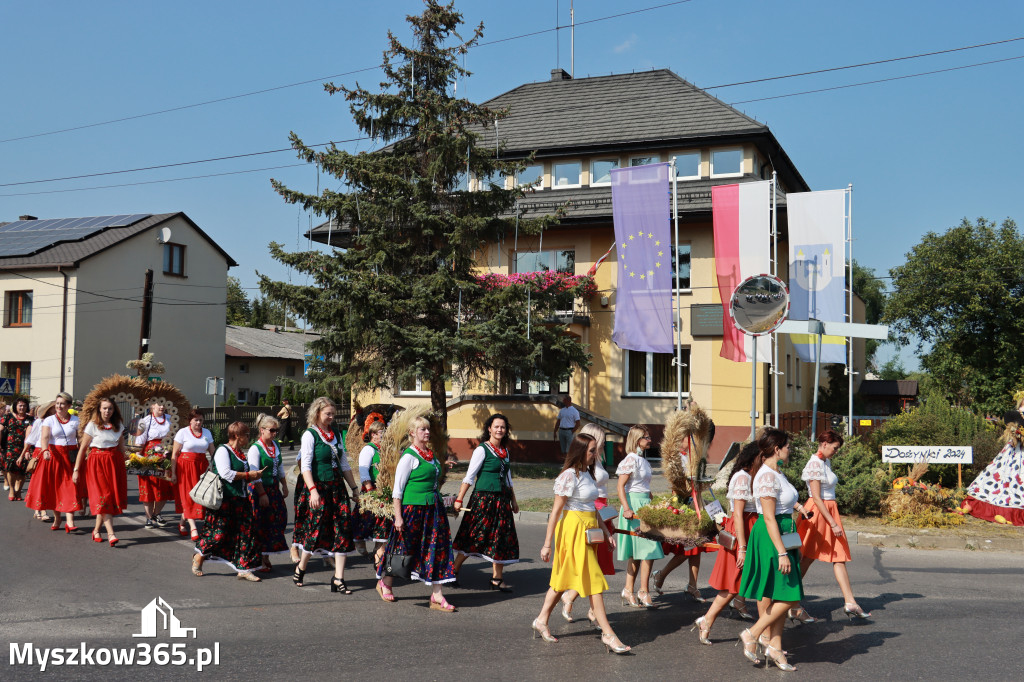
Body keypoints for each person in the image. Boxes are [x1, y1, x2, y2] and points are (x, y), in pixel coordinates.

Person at [532, 433, 630, 654]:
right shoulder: (569, 475)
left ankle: (541, 620)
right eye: (592, 450)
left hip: (588, 531)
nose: (596, 454)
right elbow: (556, 512)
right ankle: (608, 634)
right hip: (572, 532)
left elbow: (592, 507)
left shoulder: (587, 472)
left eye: (596, 450)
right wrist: (547, 544)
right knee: (594, 580)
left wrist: (606, 532)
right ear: (580, 451)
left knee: (562, 579)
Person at [737, 427, 813, 672]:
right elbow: (769, 517)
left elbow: (784, 508)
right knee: (790, 594)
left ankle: (775, 648)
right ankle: (753, 632)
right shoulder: (766, 475)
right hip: (772, 537)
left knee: (782, 593)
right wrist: (782, 551)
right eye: (787, 446)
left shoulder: (776, 472)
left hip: (783, 534)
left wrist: (792, 546)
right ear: (777, 449)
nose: (790, 450)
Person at [376, 416, 456, 610]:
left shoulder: (431, 455)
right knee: (403, 549)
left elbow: (433, 481)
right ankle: (385, 582)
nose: (427, 432)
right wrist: (398, 517)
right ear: (412, 433)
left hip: (433, 510)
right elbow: (398, 491)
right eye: (422, 429)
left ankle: (437, 595)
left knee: (436, 549)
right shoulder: (409, 457)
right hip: (412, 510)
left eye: (427, 429)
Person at [796, 429, 871, 620]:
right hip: (819, 512)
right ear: (824, 444)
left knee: (838, 556)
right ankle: (790, 601)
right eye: (835, 448)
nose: (835, 452)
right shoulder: (814, 464)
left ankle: (850, 602)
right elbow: (817, 497)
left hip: (830, 511)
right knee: (806, 557)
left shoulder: (824, 461)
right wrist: (833, 523)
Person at [691, 442, 760, 645]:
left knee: (742, 579)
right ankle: (707, 619)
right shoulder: (742, 477)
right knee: (733, 581)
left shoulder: (752, 476)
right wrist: (743, 547)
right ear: (754, 457)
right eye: (762, 457)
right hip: (742, 529)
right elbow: (738, 513)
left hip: (751, 527)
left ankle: (738, 606)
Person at [292, 397, 359, 593]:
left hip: (337, 488)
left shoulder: (335, 433)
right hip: (318, 488)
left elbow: (344, 464)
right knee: (315, 531)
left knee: (342, 530)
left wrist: (354, 489)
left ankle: (338, 578)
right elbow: (305, 466)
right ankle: (302, 567)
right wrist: (312, 490)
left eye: (333, 414)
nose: (331, 417)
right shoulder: (310, 435)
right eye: (327, 414)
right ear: (317, 413)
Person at [452, 413, 520, 591]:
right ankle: (453, 570)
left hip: (502, 501)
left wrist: (514, 500)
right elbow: (469, 476)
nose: (500, 430)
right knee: (474, 537)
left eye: (503, 427)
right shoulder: (482, 450)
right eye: (496, 426)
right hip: (483, 500)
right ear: (489, 429)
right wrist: (459, 499)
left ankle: (497, 579)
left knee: (500, 539)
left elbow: (508, 479)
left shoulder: (505, 451)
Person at [192, 421, 265, 581]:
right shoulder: (222, 450)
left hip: (242, 499)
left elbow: (248, 475)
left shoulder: (241, 453)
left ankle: (244, 568)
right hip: (224, 499)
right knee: (218, 534)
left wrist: (256, 479)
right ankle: (199, 556)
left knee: (246, 534)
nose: (248, 438)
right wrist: (248, 475)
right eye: (246, 435)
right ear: (237, 436)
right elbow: (225, 474)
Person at [558, 422, 614, 622]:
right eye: (600, 439)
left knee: (598, 564)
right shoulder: (584, 464)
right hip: (589, 512)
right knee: (592, 565)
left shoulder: (595, 461)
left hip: (599, 511)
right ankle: (582, 604)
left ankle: (575, 600)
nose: (603, 443)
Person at [652, 438, 710, 603]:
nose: (691, 442)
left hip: (694, 500)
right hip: (681, 501)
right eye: (687, 439)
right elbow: (675, 481)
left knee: (696, 545)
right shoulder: (675, 457)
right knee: (689, 545)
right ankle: (661, 574)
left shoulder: (693, 456)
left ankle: (693, 585)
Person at [616, 425, 664, 608]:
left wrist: (654, 501)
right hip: (634, 507)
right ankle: (643, 590)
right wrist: (626, 508)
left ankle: (628, 589)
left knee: (640, 552)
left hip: (645, 505)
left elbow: (643, 485)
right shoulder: (630, 459)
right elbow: (620, 487)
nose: (650, 440)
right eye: (646, 437)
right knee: (648, 548)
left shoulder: (643, 460)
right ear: (637, 440)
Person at [73, 398, 128, 545]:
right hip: (96, 463)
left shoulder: (118, 425)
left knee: (108, 499)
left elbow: (122, 448)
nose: (107, 411)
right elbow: (83, 449)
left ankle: (96, 530)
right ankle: (111, 533)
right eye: (104, 408)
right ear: (99, 410)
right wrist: (76, 470)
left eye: (110, 408)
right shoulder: (92, 425)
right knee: (103, 496)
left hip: (114, 463)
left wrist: (133, 460)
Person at [25, 393, 81, 532]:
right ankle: (58, 518)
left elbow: (80, 438)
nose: (59, 406)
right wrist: (45, 451)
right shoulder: (49, 420)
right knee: (56, 489)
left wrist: (83, 454)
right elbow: (44, 437)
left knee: (70, 487)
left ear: (69, 406)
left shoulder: (76, 420)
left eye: (62, 403)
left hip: (70, 456)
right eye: (57, 403)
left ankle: (70, 521)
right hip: (54, 456)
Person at [962, 408, 1024, 526]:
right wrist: (1016, 433)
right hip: (1014, 451)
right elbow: (1010, 422)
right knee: (1005, 475)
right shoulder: (1017, 413)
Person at [248, 414, 290, 572]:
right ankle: (259, 557)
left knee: (278, 520)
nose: (275, 433)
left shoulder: (275, 446)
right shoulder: (255, 448)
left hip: (273, 489)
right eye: (272, 430)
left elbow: (279, 467)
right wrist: (262, 494)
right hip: (260, 490)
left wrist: (284, 485)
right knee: (260, 523)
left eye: (276, 431)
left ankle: (266, 555)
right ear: (262, 430)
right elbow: (254, 474)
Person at [170, 409, 215, 540]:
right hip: (185, 468)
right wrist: (173, 473)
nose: (198, 422)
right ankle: (194, 528)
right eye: (196, 420)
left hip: (201, 467)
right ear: (190, 420)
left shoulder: (206, 432)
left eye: (201, 420)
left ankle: (182, 523)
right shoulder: (182, 432)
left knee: (199, 496)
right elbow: (174, 454)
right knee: (188, 496)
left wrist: (216, 468)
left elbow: (213, 452)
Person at [357, 420, 391, 567]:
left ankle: (378, 551)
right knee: (368, 521)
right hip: (372, 490)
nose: (383, 435)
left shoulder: (385, 449)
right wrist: (370, 488)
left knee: (382, 523)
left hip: (384, 490)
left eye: (384, 432)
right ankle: (362, 543)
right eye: (380, 433)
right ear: (373, 434)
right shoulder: (368, 449)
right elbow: (363, 470)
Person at [135, 402, 174, 528]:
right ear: (152, 406)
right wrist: (138, 459)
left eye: (163, 404)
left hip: (165, 456)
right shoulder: (145, 421)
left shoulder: (170, 419)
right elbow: (140, 442)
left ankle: (157, 513)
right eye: (159, 404)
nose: (162, 407)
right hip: (149, 457)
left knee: (165, 486)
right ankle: (148, 517)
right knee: (148, 487)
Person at [21, 403, 53, 522]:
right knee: (40, 481)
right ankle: (40, 509)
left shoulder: (56, 421)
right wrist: (24, 452)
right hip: (40, 452)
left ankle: (40, 509)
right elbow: (30, 439)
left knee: (47, 483)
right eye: (53, 409)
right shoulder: (40, 422)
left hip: (52, 453)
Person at [1, 397, 33, 501]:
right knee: (10, 468)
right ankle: (11, 489)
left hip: (25, 447)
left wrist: (28, 450)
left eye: (24, 405)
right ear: (15, 406)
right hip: (10, 447)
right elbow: (0, 429)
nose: (22, 407)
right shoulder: (8, 417)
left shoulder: (30, 419)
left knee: (22, 470)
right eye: (20, 405)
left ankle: (18, 491)